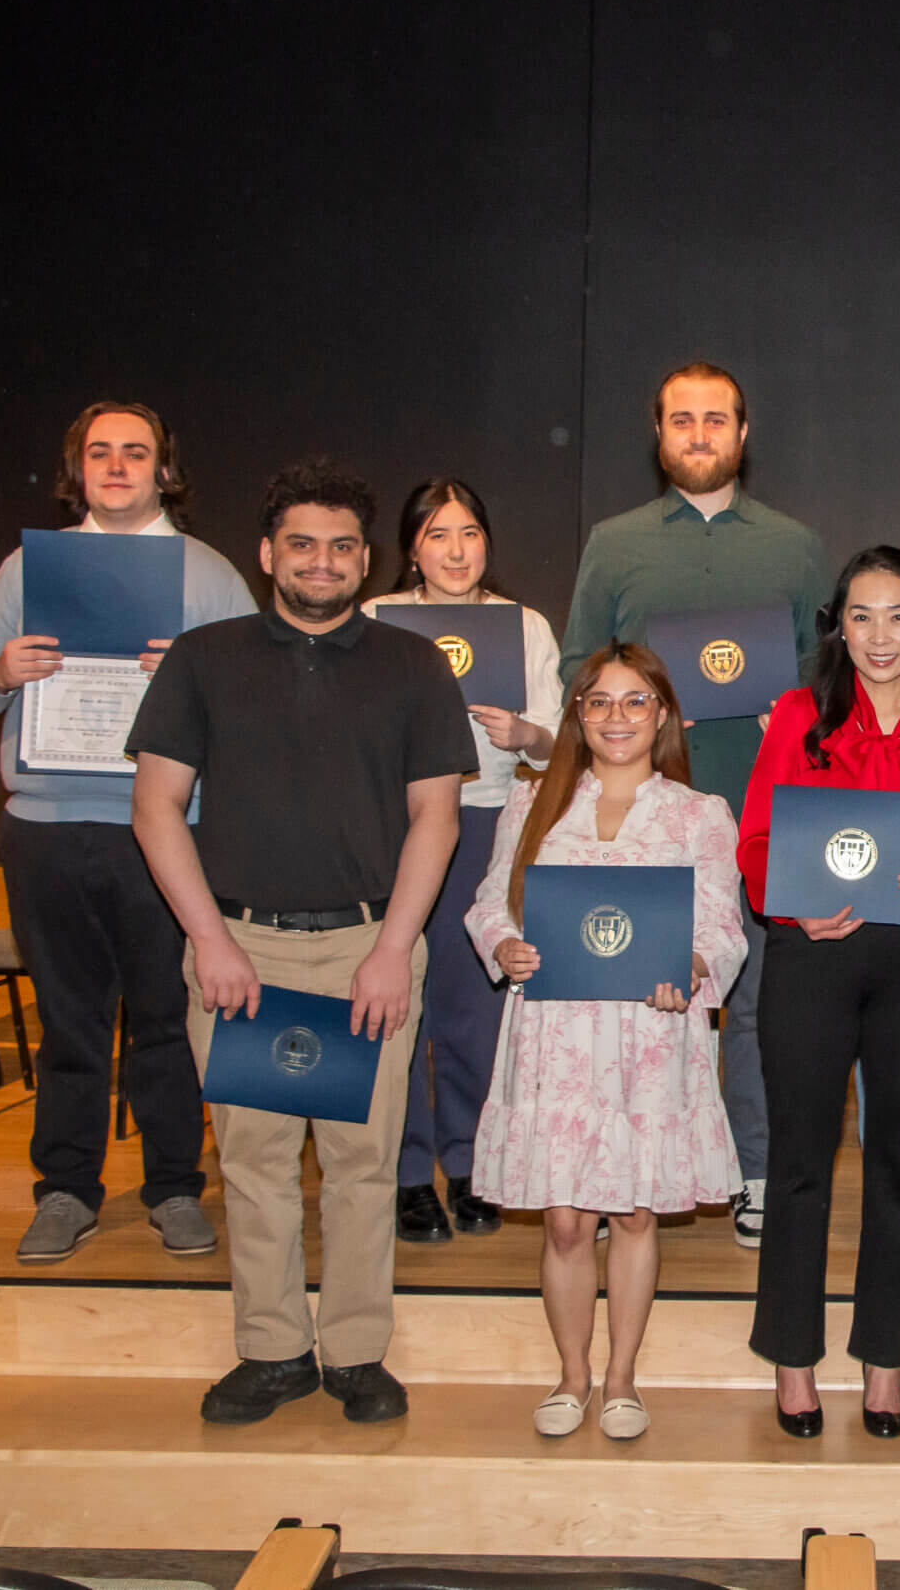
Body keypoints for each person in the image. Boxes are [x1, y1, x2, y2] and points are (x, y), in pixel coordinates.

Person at [128, 462, 478, 1425]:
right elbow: (155, 810)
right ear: (266, 552)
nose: (320, 562)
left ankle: (358, 1352)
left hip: (369, 947)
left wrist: (391, 947)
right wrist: (210, 939)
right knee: (256, 1162)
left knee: (365, 1165)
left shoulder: (414, 666)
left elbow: (436, 821)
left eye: (339, 546)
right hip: (243, 953)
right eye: (300, 543)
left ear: (365, 559)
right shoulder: (203, 658)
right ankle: (273, 1349)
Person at [0, 400, 256, 1264]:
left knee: (165, 1016)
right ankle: (67, 1189)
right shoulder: (26, 571)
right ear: (76, 469)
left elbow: (252, 715)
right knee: (69, 1020)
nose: (116, 466)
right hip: (46, 826)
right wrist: (3, 671)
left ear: (166, 470)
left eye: (135, 452)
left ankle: (172, 1187)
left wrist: (190, 684)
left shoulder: (208, 575)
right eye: (99, 452)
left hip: (162, 832)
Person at [562, 362, 832, 1249]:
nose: (700, 433)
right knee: (619, 996)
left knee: (751, 1001)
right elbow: (577, 671)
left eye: (717, 418)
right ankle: (606, 1176)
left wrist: (787, 709)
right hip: (637, 813)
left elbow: (825, 680)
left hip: (760, 812)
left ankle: (753, 1171)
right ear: (659, 432)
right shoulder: (614, 540)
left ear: (743, 433)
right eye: (683, 419)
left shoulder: (793, 545)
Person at [463, 643, 747, 1442]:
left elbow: (724, 928)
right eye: (598, 702)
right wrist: (504, 946)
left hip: (651, 1034)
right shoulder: (531, 805)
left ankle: (621, 1378)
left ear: (662, 714)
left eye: (634, 702)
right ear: (576, 714)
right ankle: (571, 1374)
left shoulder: (700, 813)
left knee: (630, 1213)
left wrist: (691, 965)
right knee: (563, 1221)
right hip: (554, 1030)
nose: (616, 718)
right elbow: (490, 903)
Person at [736, 546, 900, 1440]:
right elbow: (757, 843)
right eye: (862, 616)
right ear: (838, 626)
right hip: (813, 952)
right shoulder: (799, 715)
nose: (880, 636)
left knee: (899, 1171)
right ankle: (793, 1360)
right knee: (800, 1163)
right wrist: (795, 908)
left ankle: (884, 1359)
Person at [362, 479, 563, 1244]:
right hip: (394, 825)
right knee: (396, 1003)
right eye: (438, 533)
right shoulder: (376, 620)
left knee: (475, 1009)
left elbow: (556, 740)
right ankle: (408, 1173)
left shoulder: (524, 626)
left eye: (470, 532)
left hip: (487, 820)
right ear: (411, 545)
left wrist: (524, 735)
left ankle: (475, 1163)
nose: (456, 549)